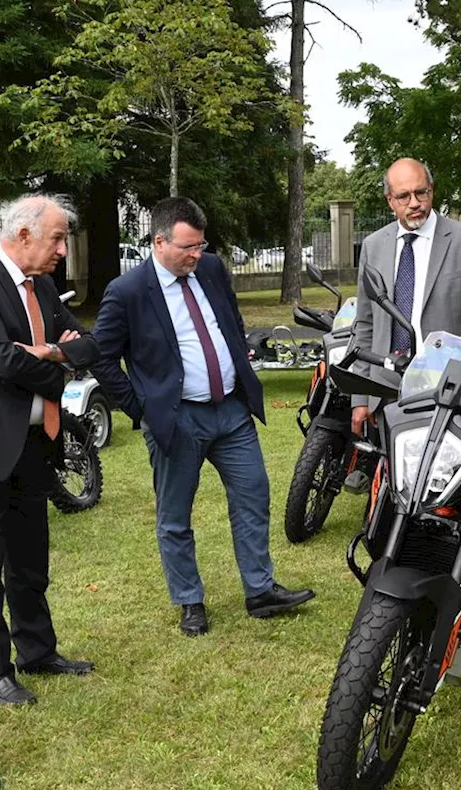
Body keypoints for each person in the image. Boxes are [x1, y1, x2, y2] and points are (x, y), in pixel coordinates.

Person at [90, 197, 314, 637]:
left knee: (253, 496)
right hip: (177, 420)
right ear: (158, 241)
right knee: (175, 516)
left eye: (201, 245)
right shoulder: (128, 292)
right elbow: (102, 357)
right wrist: (141, 407)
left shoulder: (210, 269)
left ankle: (260, 590)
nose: (197, 255)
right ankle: (190, 601)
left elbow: (228, 320)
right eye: (188, 247)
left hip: (231, 411)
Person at [0, 194, 101, 706]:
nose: (62, 249)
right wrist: (56, 358)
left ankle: (38, 650)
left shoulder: (45, 285)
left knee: (31, 558)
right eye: (57, 238)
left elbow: (88, 346)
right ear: (24, 234)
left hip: (38, 441)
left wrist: (50, 351)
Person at [348, 157, 461, 438]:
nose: (414, 203)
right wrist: (360, 398)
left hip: (445, 394)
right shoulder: (373, 247)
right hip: (386, 391)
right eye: (404, 196)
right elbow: (365, 327)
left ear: (432, 190)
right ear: (390, 200)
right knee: (389, 479)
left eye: (421, 192)